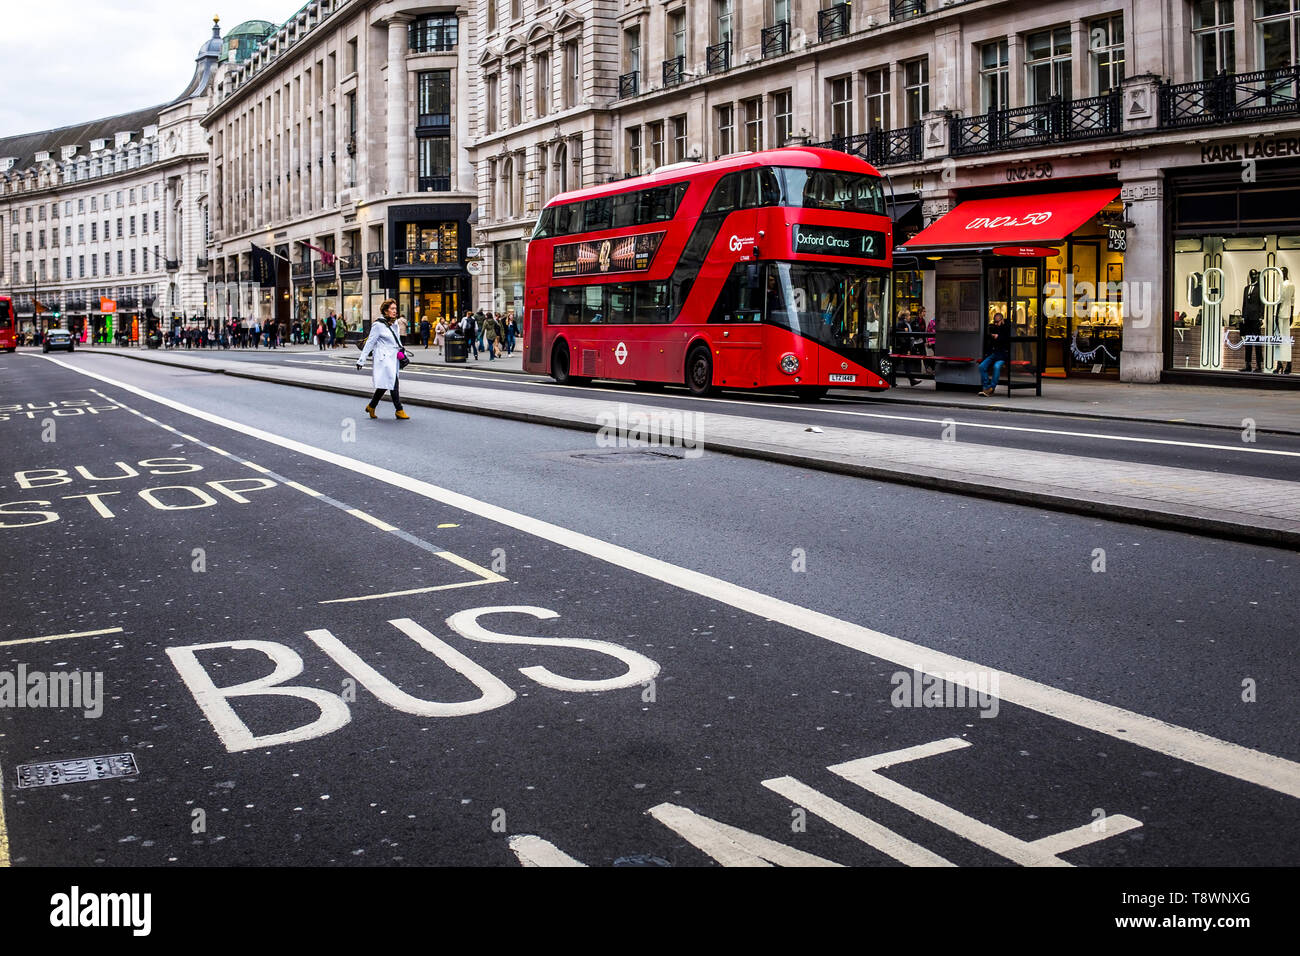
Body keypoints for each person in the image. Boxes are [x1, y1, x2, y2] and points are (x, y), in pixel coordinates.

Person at [357, 298, 409, 420]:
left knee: (386, 385)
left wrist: (403, 352)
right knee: (393, 382)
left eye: (396, 309)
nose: (395, 311)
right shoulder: (378, 325)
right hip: (384, 359)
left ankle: (371, 406)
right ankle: (399, 410)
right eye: (392, 309)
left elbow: (397, 341)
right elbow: (370, 343)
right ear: (385, 311)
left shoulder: (395, 323)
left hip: (394, 358)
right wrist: (361, 360)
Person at [979, 312, 1010, 396]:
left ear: (1002, 320)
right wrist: (992, 336)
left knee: (996, 367)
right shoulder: (993, 328)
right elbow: (989, 340)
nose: (996, 324)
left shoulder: (1007, 328)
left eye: (998, 322)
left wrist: (998, 337)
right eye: (995, 322)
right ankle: (986, 387)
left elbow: (1007, 340)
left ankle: (991, 388)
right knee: (982, 366)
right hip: (994, 353)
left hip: (1003, 355)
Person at [893, 310, 920, 385]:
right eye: (909, 315)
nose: (910, 317)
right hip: (902, 348)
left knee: (901, 364)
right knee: (903, 364)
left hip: (903, 347)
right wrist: (907, 348)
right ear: (905, 316)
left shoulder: (906, 323)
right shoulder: (902, 323)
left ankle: (911, 380)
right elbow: (895, 331)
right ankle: (911, 380)